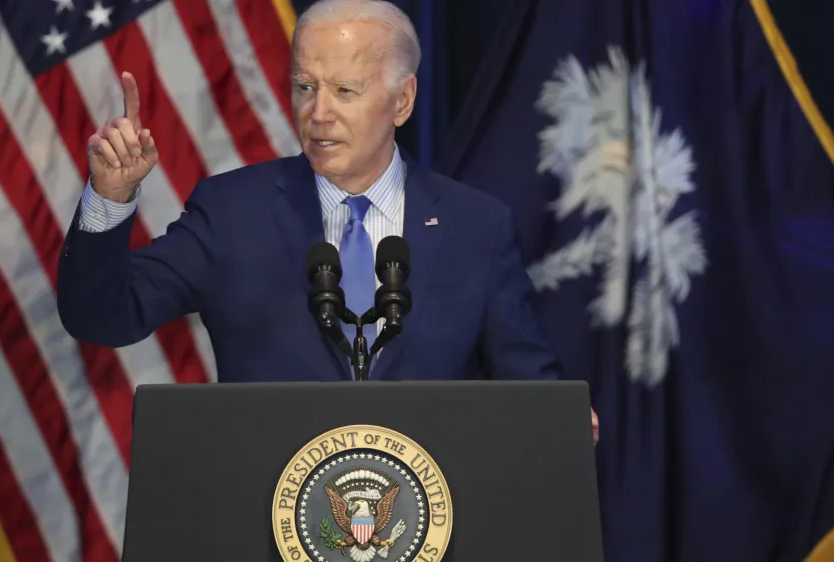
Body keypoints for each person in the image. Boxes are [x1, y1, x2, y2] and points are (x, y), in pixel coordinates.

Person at [56, 0, 598, 443]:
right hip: (265, 525)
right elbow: (102, 315)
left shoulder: (476, 227)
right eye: (305, 87)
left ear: (402, 100)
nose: (318, 114)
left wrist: (560, 423)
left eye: (345, 90)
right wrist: (110, 196)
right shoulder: (232, 212)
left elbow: (530, 386)